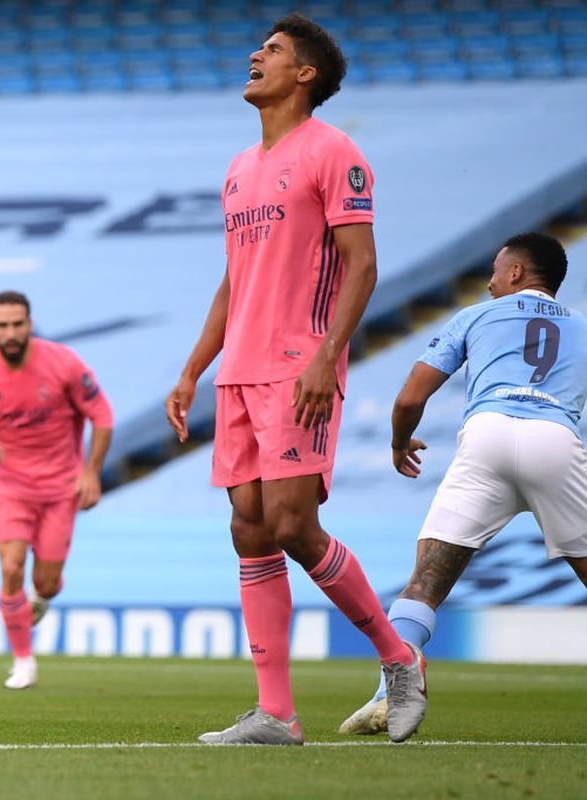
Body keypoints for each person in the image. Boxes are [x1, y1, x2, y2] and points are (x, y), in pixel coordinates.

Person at [164, 13, 426, 745]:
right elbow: (232, 280)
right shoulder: (239, 168)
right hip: (240, 374)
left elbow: (363, 265)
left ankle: (400, 660)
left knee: (292, 525)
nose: (257, 55)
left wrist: (325, 356)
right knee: (249, 531)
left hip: (298, 368)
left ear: (305, 74)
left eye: (273, 51)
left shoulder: (334, 151)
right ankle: (276, 712)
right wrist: (192, 369)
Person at [340, 233, 587, 734]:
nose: (490, 280)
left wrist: (398, 442)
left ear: (517, 272)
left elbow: (410, 398)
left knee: (425, 582)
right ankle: (386, 694)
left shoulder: (474, 316)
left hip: (486, 438)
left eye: (497, 269)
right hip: (557, 441)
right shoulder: (583, 329)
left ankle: (394, 689)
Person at [0, 291, 113, 689]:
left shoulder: (64, 363)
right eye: (2, 326)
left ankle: (39, 600)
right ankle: (23, 660)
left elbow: (103, 417)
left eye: (17, 324)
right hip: (10, 487)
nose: (10, 333)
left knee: (46, 583)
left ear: (29, 324)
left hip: (61, 488)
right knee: (10, 568)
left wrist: (91, 473)